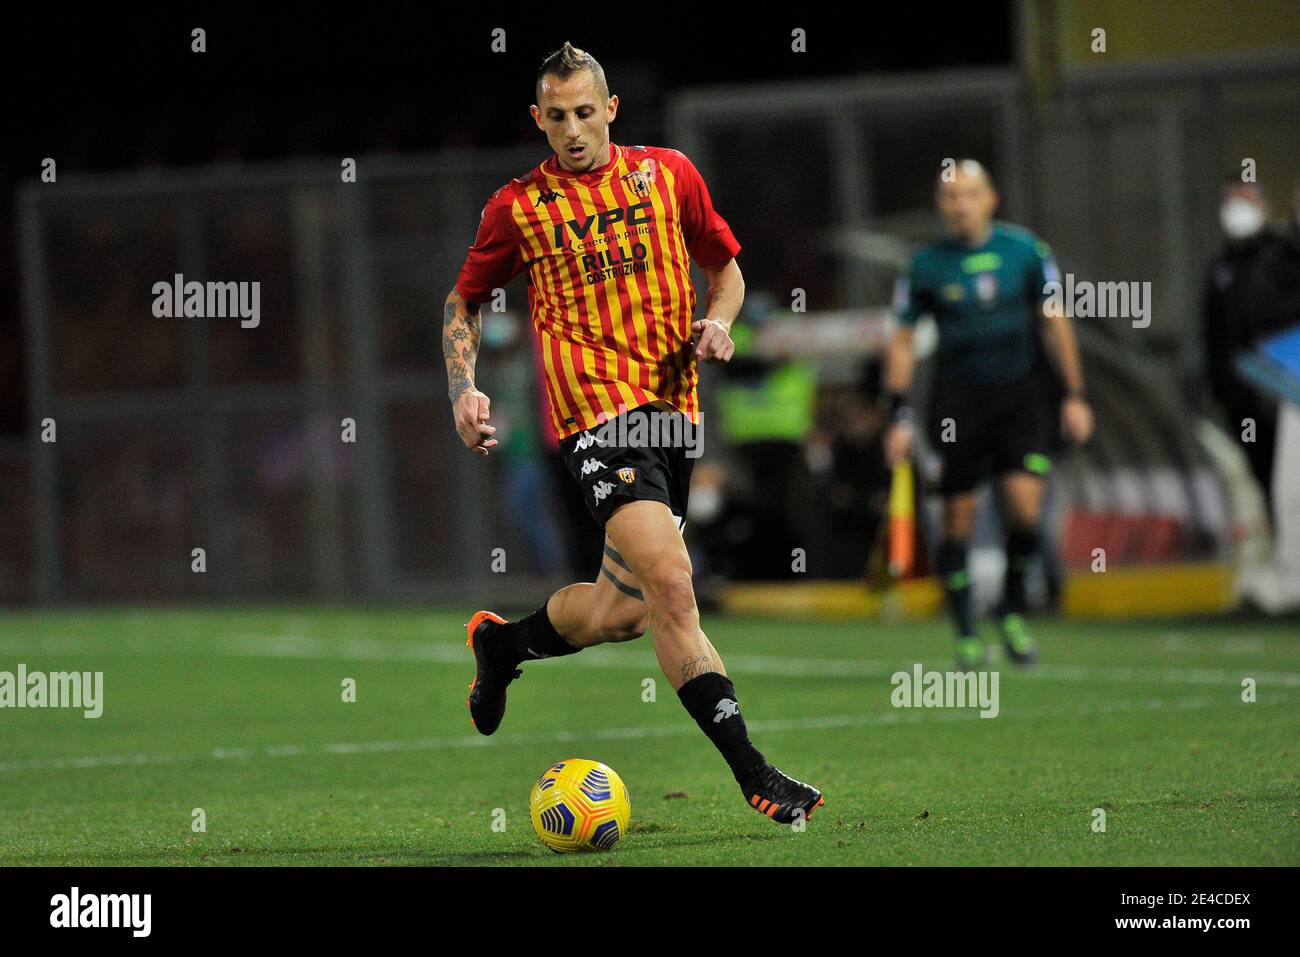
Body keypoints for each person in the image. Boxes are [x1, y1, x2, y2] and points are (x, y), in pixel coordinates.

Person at [442, 42, 823, 825]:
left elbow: (726, 269)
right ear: (538, 121)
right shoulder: (518, 208)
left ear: (610, 109)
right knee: (675, 584)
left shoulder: (669, 175)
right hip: (595, 421)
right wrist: (463, 387)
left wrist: (718, 323)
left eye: (586, 112)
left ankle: (504, 648)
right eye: (557, 117)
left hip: (670, 414)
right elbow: (464, 301)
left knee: (623, 612)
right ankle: (757, 774)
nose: (573, 130)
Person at [882, 160, 1093, 670]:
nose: (961, 205)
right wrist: (898, 415)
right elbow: (904, 341)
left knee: (1025, 512)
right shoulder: (925, 265)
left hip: (1021, 399)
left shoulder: (1026, 252)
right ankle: (966, 632)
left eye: (971, 194)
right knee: (959, 520)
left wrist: (1075, 394)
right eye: (951, 197)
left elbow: (1055, 323)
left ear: (991, 199)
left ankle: (1012, 608)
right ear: (941, 205)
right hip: (957, 403)